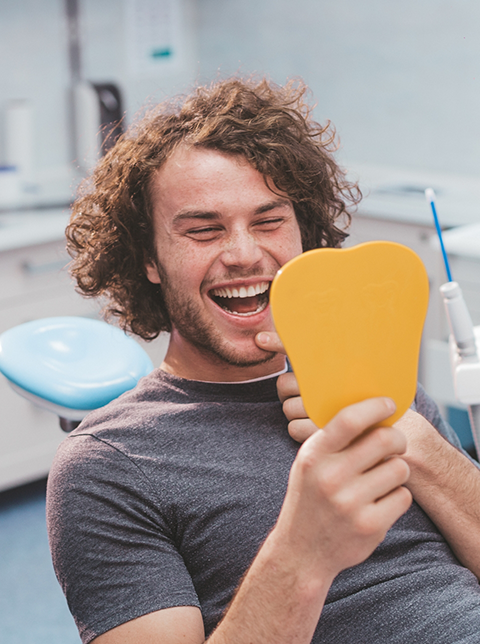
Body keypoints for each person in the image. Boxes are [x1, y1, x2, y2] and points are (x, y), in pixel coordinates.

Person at [47, 77, 480, 644]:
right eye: (204, 230)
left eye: (270, 221)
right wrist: (304, 552)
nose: (245, 254)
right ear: (147, 258)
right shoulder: (108, 467)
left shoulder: (374, 380)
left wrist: (411, 439)